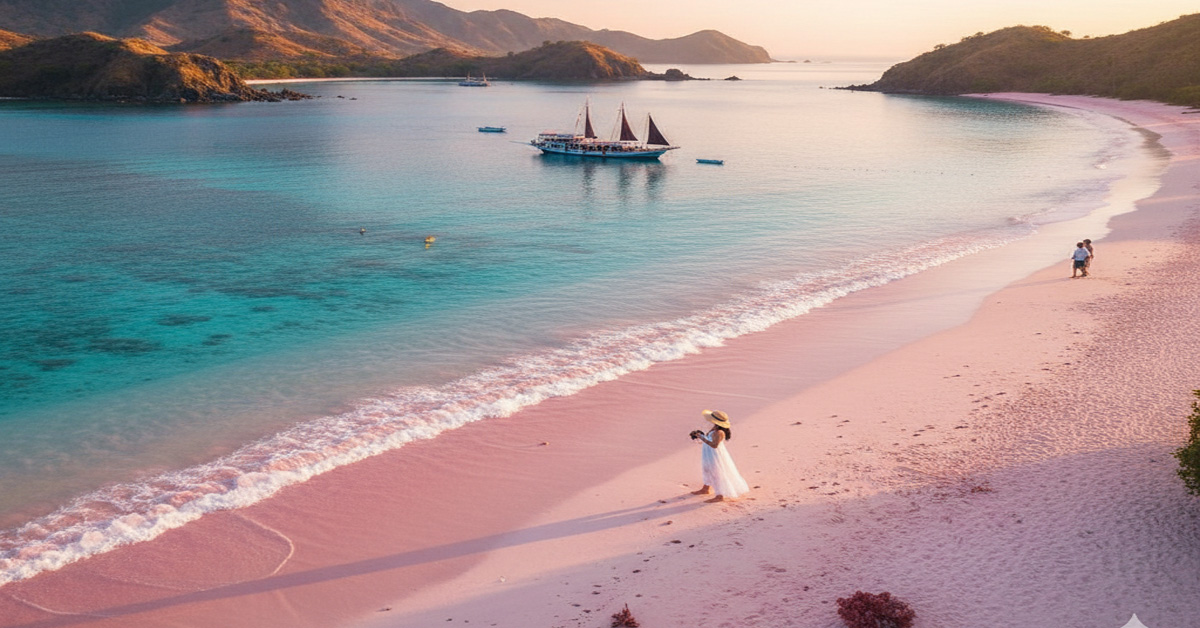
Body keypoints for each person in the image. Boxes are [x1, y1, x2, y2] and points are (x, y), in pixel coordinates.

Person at [689, 409, 750, 502]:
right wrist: (701, 435)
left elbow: (714, 445)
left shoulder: (719, 432)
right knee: (707, 469)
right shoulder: (715, 428)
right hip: (708, 452)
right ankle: (706, 488)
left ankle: (720, 495)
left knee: (717, 472)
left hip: (714, 454)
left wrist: (702, 438)